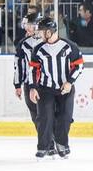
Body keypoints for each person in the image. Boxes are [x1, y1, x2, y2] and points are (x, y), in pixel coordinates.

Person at [29, 17, 84, 159]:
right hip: (45, 89)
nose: (39, 34)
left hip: (64, 89)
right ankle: (44, 147)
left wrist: (70, 82)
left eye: (41, 31)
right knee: (45, 118)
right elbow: (34, 70)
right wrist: (33, 88)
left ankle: (62, 144)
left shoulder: (69, 46)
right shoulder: (38, 49)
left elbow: (79, 65)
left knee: (65, 117)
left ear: (49, 32)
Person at [13, 13, 40, 128]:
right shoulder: (23, 44)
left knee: (49, 113)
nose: (26, 28)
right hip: (30, 83)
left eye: (29, 25)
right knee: (35, 115)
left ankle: (53, 138)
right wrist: (17, 84)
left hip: (47, 84)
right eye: (25, 25)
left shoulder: (51, 41)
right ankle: (46, 141)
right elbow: (19, 65)